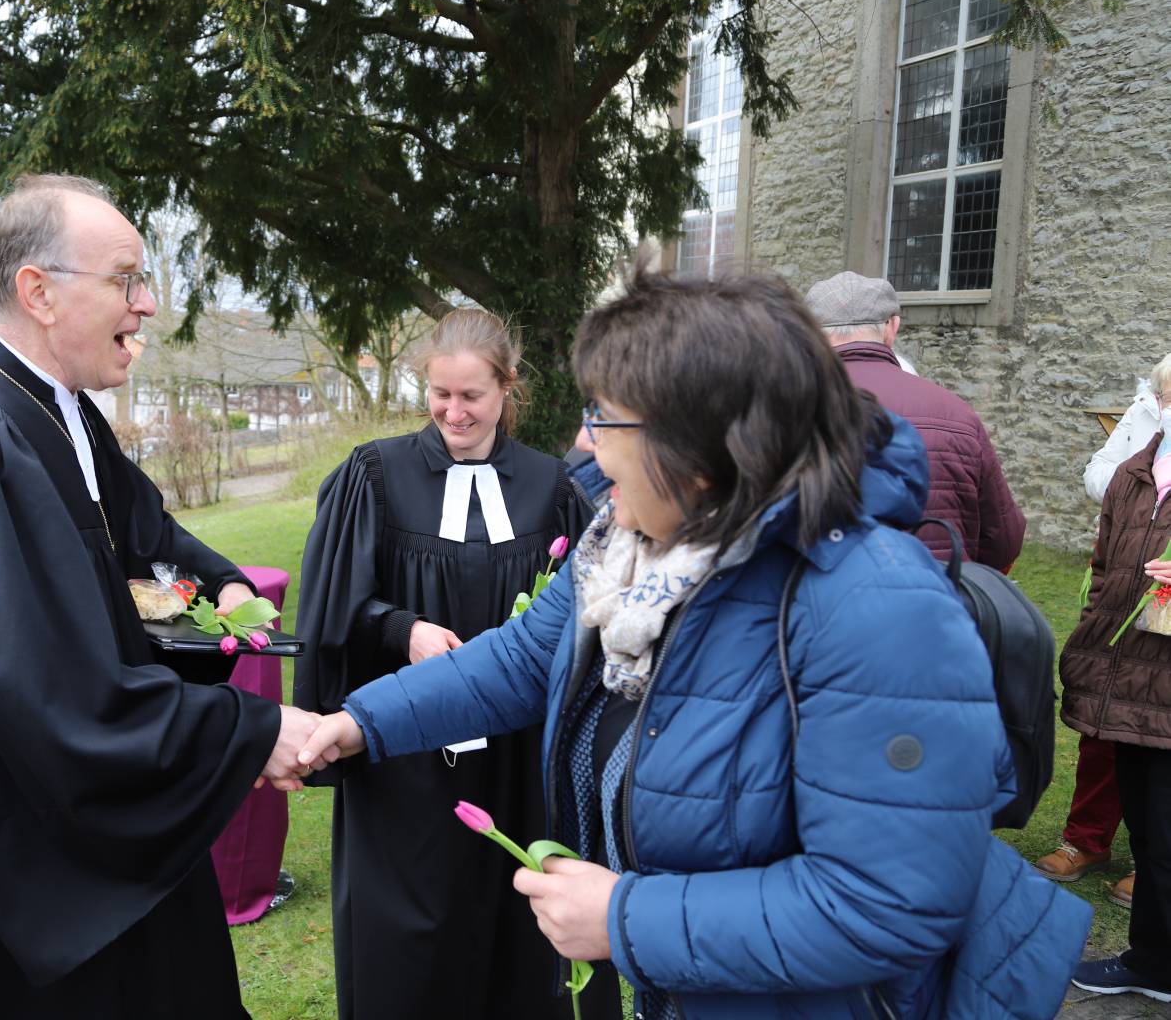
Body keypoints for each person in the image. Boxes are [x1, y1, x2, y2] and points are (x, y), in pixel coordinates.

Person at [299, 266, 1089, 1017]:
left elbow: (889, 903)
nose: (588, 443)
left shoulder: (878, 609)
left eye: (606, 417)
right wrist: (360, 723)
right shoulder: (638, 551)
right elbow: (517, 659)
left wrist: (626, 919)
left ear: (699, 442)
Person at [0, 174, 321, 1018]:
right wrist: (253, 730)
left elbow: (147, 541)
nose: (149, 305)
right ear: (39, 292)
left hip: (78, 834)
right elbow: (48, 689)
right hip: (10, 862)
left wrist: (225, 589)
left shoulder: (56, 410)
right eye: (127, 279)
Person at [293, 308, 605, 1020]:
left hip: (516, 755)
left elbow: (588, 618)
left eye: (472, 396)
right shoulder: (375, 474)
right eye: (440, 394)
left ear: (507, 389)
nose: (453, 412)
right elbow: (333, 607)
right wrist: (402, 631)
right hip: (405, 755)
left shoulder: (553, 489)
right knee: (408, 929)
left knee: (515, 913)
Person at [1034, 362, 1171, 907]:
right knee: (1104, 734)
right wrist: (1094, 621)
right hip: (1117, 634)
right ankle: (1089, 841)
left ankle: (1155, 863)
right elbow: (1105, 548)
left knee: (1161, 754)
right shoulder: (1139, 459)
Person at [1065, 358, 1171, 1003]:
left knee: (1164, 828)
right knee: (1148, 821)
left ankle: (1158, 966)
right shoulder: (1134, 474)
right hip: (1126, 676)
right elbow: (1105, 568)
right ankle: (1153, 960)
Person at [805, 271, 1024, 569]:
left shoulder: (786, 410)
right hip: (937, 601)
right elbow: (1003, 541)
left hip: (818, 603)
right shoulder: (957, 413)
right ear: (892, 327)